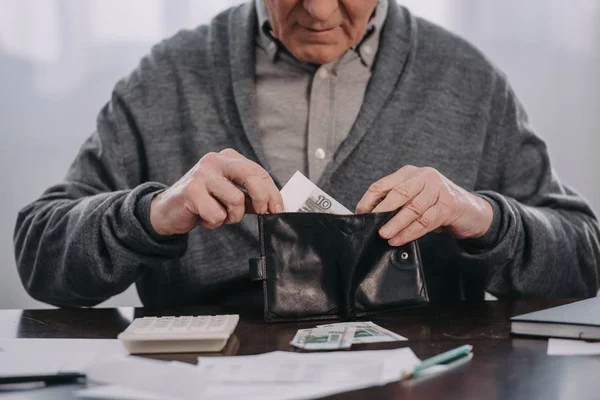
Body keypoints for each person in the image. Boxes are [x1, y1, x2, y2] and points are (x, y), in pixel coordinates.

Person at [14, 0, 600, 308]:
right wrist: (149, 215)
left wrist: (485, 219)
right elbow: (40, 256)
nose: (319, 12)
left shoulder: (469, 82)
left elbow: (582, 256)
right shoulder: (164, 79)